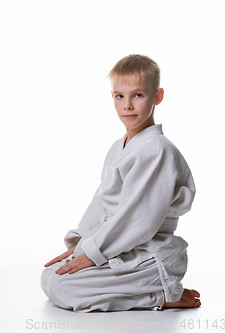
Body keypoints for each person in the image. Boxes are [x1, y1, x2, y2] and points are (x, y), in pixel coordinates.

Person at [41, 54, 201, 312]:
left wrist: (93, 252)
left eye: (137, 95)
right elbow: (102, 200)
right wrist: (80, 242)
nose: (127, 105)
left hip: (151, 252)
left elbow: (138, 220)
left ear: (157, 97)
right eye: (119, 96)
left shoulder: (156, 150)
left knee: (63, 288)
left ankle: (160, 293)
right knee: (49, 275)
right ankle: (155, 289)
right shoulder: (120, 147)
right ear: (112, 97)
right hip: (120, 243)